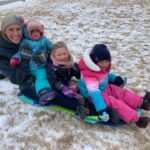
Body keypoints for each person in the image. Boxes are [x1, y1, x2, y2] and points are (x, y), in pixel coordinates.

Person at [78, 44, 150, 128]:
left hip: (103, 87)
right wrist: (101, 109)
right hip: (92, 95)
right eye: (102, 62)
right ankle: (137, 119)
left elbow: (104, 74)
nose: (105, 64)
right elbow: (95, 94)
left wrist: (115, 78)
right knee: (115, 103)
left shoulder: (98, 67)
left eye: (107, 61)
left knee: (121, 92)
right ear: (94, 62)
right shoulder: (89, 75)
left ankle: (141, 103)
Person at [10, 18, 54, 105]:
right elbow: (20, 52)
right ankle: (43, 92)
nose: (35, 33)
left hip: (43, 64)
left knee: (47, 74)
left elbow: (52, 48)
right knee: (42, 76)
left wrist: (48, 54)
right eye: (32, 31)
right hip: (32, 67)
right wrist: (15, 58)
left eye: (37, 31)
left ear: (41, 31)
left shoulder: (44, 40)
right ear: (27, 33)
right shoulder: (25, 42)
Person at [47, 41, 89, 118]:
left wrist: (85, 77)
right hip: (58, 88)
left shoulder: (69, 63)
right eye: (59, 55)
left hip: (68, 83)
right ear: (53, 56)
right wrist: (63, 88)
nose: (62, 57)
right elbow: (53, 81)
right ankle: (78, 107)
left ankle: (87, 101)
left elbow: (77, 73)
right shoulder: (52, 67)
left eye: (64, 53)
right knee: (68, 97)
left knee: (82, 88)